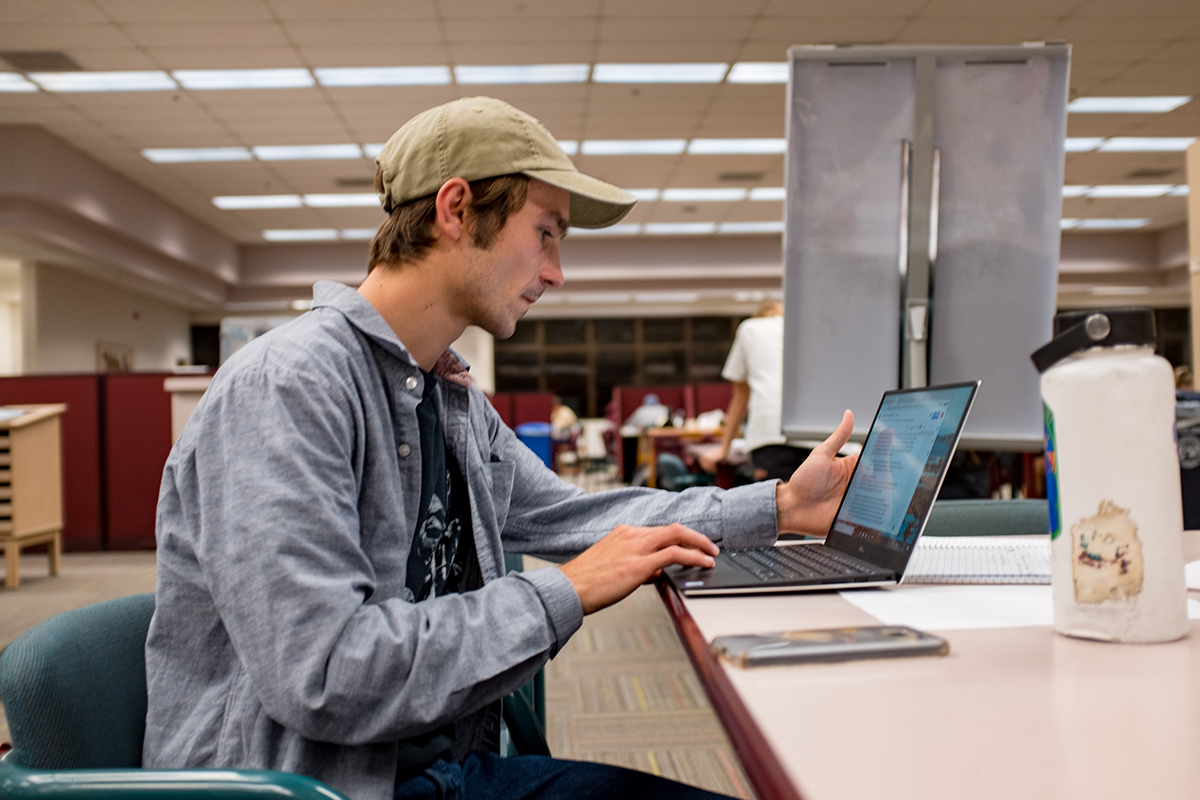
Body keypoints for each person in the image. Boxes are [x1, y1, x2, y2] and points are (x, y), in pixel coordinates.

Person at [143, 97, 858, 800]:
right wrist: (567, 590)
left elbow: (580, 517)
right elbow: (326, 675)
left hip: (439, 772)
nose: (556, 272)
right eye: (545, 233)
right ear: (456, 209)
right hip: (323, 786)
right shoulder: (288, 388)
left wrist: (781, 506)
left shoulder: (447, 399)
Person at [699, 302, 814, 482]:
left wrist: (723, 450)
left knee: (780, 506)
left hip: (772, 437)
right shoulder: (810, 327)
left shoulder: (750, 328)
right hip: (828, 436)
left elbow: (740, 398)